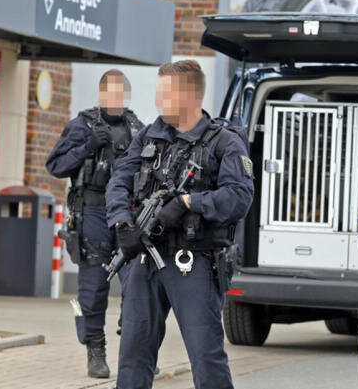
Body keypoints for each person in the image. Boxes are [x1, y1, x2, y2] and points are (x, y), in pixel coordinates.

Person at [106, 59, 254, 389]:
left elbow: (239, 197)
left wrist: (188, 202)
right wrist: (121, 224)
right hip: (145, 260)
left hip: (194, 262)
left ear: (189, 96)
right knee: (133, 357)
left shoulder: (224, 142)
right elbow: (118, 181)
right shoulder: (149, 135)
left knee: (206, 358)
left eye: (165, 93)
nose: (158, 101)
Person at [46, 69, 143, 379]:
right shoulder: (81, 126)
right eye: (109, 94)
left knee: (137, 283)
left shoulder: (137, 128)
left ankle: (133, 347)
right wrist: (86, 146)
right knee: (94, 288)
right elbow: (56, 166)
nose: (114, 100)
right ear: (101, 95)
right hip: (93, 214)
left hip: (127, 214)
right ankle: (95, 351)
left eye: (120, 94)